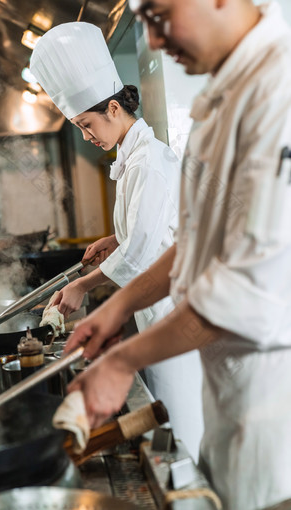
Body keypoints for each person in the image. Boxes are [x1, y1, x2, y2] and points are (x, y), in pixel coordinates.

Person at [63, 1, 291, 509]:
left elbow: (243, 293)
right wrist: (116, 310)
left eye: (160, 16)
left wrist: (122, 361)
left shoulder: (278, 96)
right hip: (229, 401)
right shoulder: (219, 102)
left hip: (275, 424)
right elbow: (193, 242)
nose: (156, 42)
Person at [30, 22, 204, 458]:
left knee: (181, 426)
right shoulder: (133, 159)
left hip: (173, 314)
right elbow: (152, 227)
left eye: (87, 124)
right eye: (78, 128)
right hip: (155, 311)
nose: (86, 137)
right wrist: (115, 236)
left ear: (112, 109)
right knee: (170, 420)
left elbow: (145, 250)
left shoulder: (146, 162)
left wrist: (82, 285)